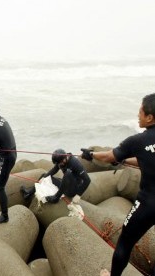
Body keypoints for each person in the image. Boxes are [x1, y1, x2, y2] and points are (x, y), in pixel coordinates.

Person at [81, 93, 155, 276]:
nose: (138, 115)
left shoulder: (138, 141)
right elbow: (147, 159)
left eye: (140, 112)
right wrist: (127, 161)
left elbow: (108, 156)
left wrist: (90, 155)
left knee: (124, 243)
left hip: (148, 203)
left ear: (150, 117)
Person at [20, 149, 91, 204]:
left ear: (64, 159)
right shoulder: (61, 161)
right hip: (66, 185)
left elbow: (87, 180)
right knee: (44, 176)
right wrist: (44, 179)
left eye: (59, 163)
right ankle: (28, 193)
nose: (59, 165)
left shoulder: (75, 163)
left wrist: (78, 195)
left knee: (68, 173)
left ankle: (56, 198)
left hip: (73, 189)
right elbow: (53, 170)